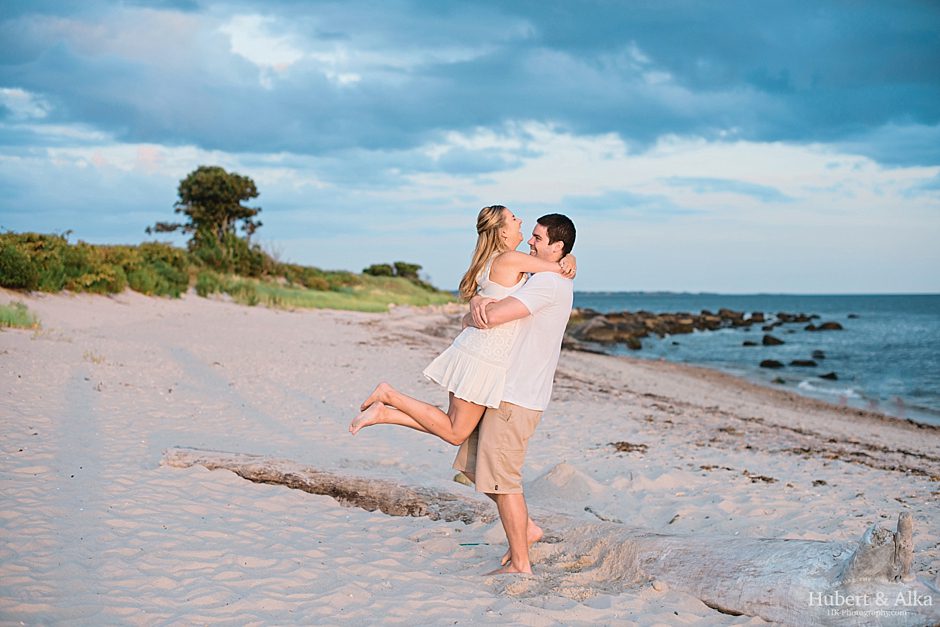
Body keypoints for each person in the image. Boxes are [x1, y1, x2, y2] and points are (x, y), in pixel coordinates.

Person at [351, 210, 576, 575]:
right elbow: (498, 309)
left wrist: (566, 260)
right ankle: (389, 400)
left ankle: (387, 409)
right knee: (471, 450)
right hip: (488, 365)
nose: (527, 233)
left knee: (478, 459)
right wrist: (565, 262)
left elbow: (514, 294)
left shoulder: (530, 271)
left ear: (555, 245)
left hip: (497, 374)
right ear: (503, 233)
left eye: (536, 234)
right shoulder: (521, 264)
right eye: (520, 225)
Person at [349, 204, 574, 448]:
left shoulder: (494, 260)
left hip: (478, 350)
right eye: (513, 218)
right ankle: (388, 396)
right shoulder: (510, 259)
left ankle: (384, 413)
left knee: (454, 427)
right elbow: (559, 270)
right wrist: (571, 259)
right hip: (485, 356)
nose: (520, 221)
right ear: (502, 232)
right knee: (456, 432)